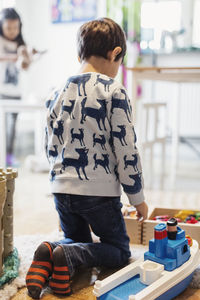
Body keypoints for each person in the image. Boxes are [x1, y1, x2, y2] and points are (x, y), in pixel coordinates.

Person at [26, 17, 148, 299]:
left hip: (60, 190)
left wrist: (61, 180)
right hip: (99, 196)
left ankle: (52, 251)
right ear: (115, 53)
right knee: (118, 250)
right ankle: (66, 254)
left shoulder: (55, 93)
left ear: (78, 54)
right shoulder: (113, 91)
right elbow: (126, 149)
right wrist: (137, 198)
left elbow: (50, 145)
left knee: (77, 242)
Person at [0, 8, 38, 166]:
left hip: (15, 92)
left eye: (15, 27)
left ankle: (8, 156)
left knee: (11, 128)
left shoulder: (22, 44)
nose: (12, 31)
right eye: (8, 27)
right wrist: (14, 56)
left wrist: (29, 57)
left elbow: (25, 67)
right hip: (0, 91)